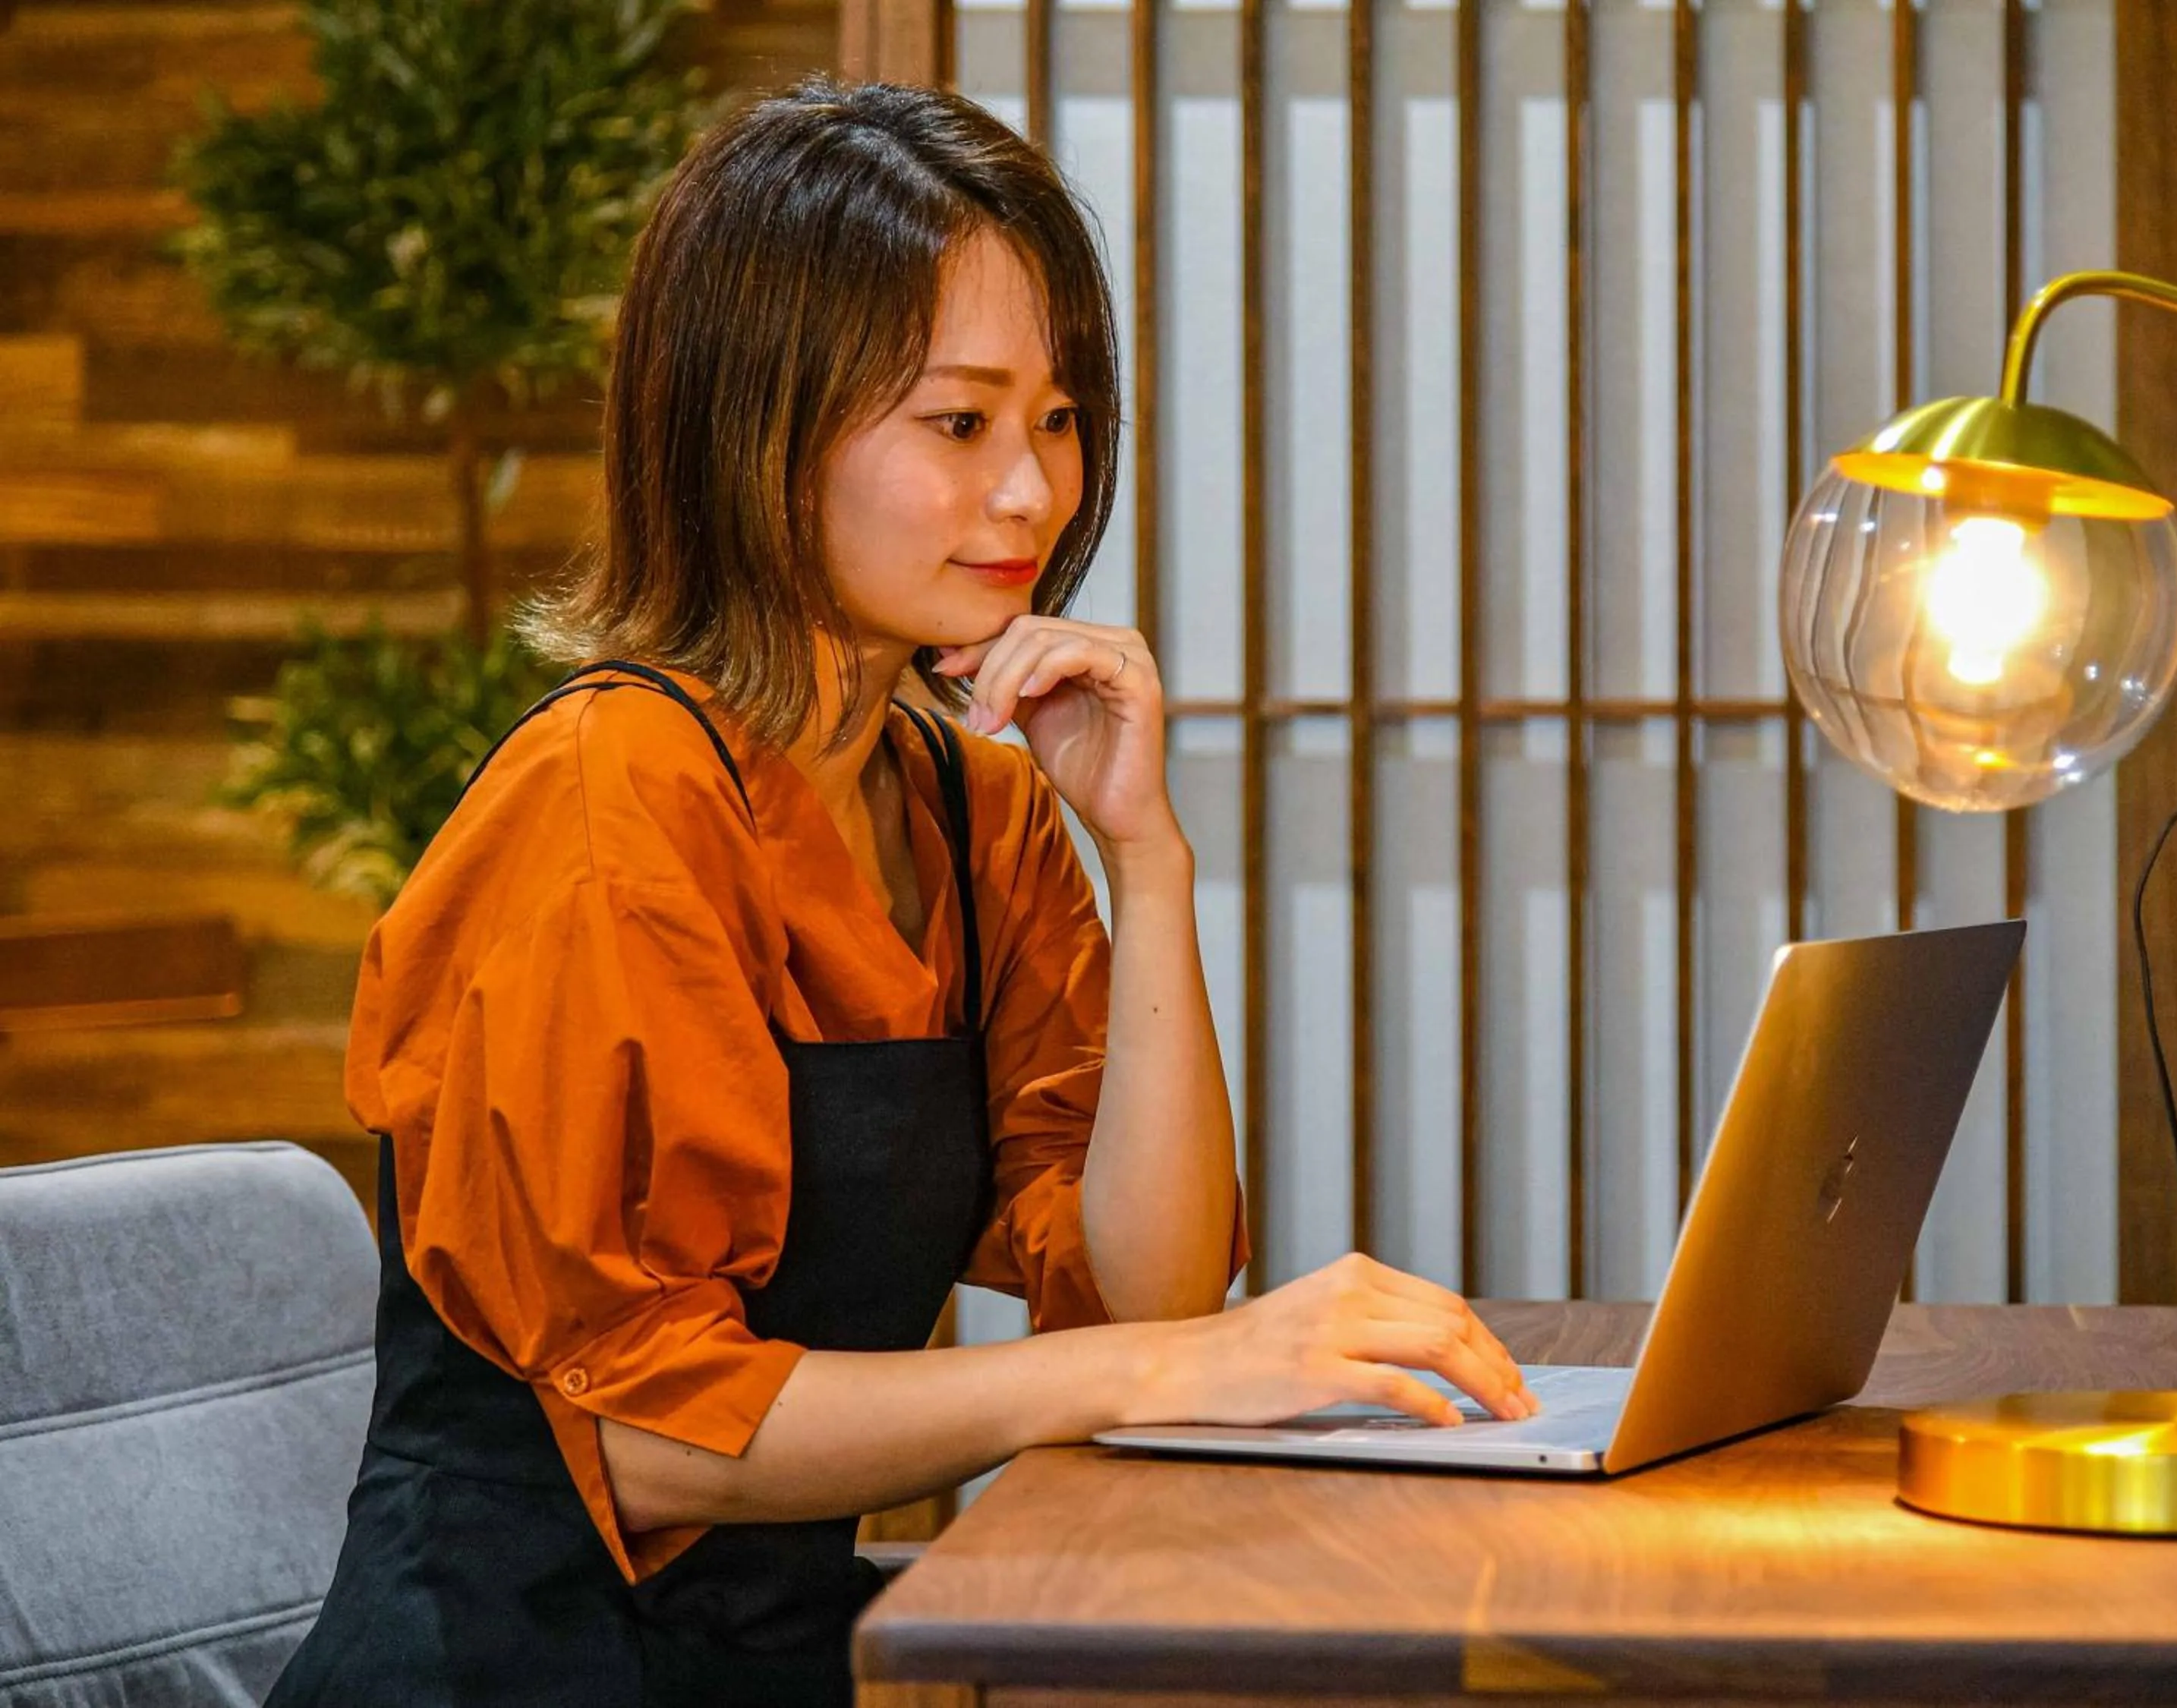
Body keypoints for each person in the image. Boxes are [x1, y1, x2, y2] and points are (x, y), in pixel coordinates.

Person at [268, 77, 1537, 1708]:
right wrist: (1165, 1367)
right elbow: (650, 1439)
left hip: (789, 1663)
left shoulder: (968, 796)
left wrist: (1148, 861)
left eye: (1059, 420)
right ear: (760, 428)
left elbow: (1143, 1280)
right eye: (961, 423)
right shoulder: (605, 804)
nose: (1035, 493)